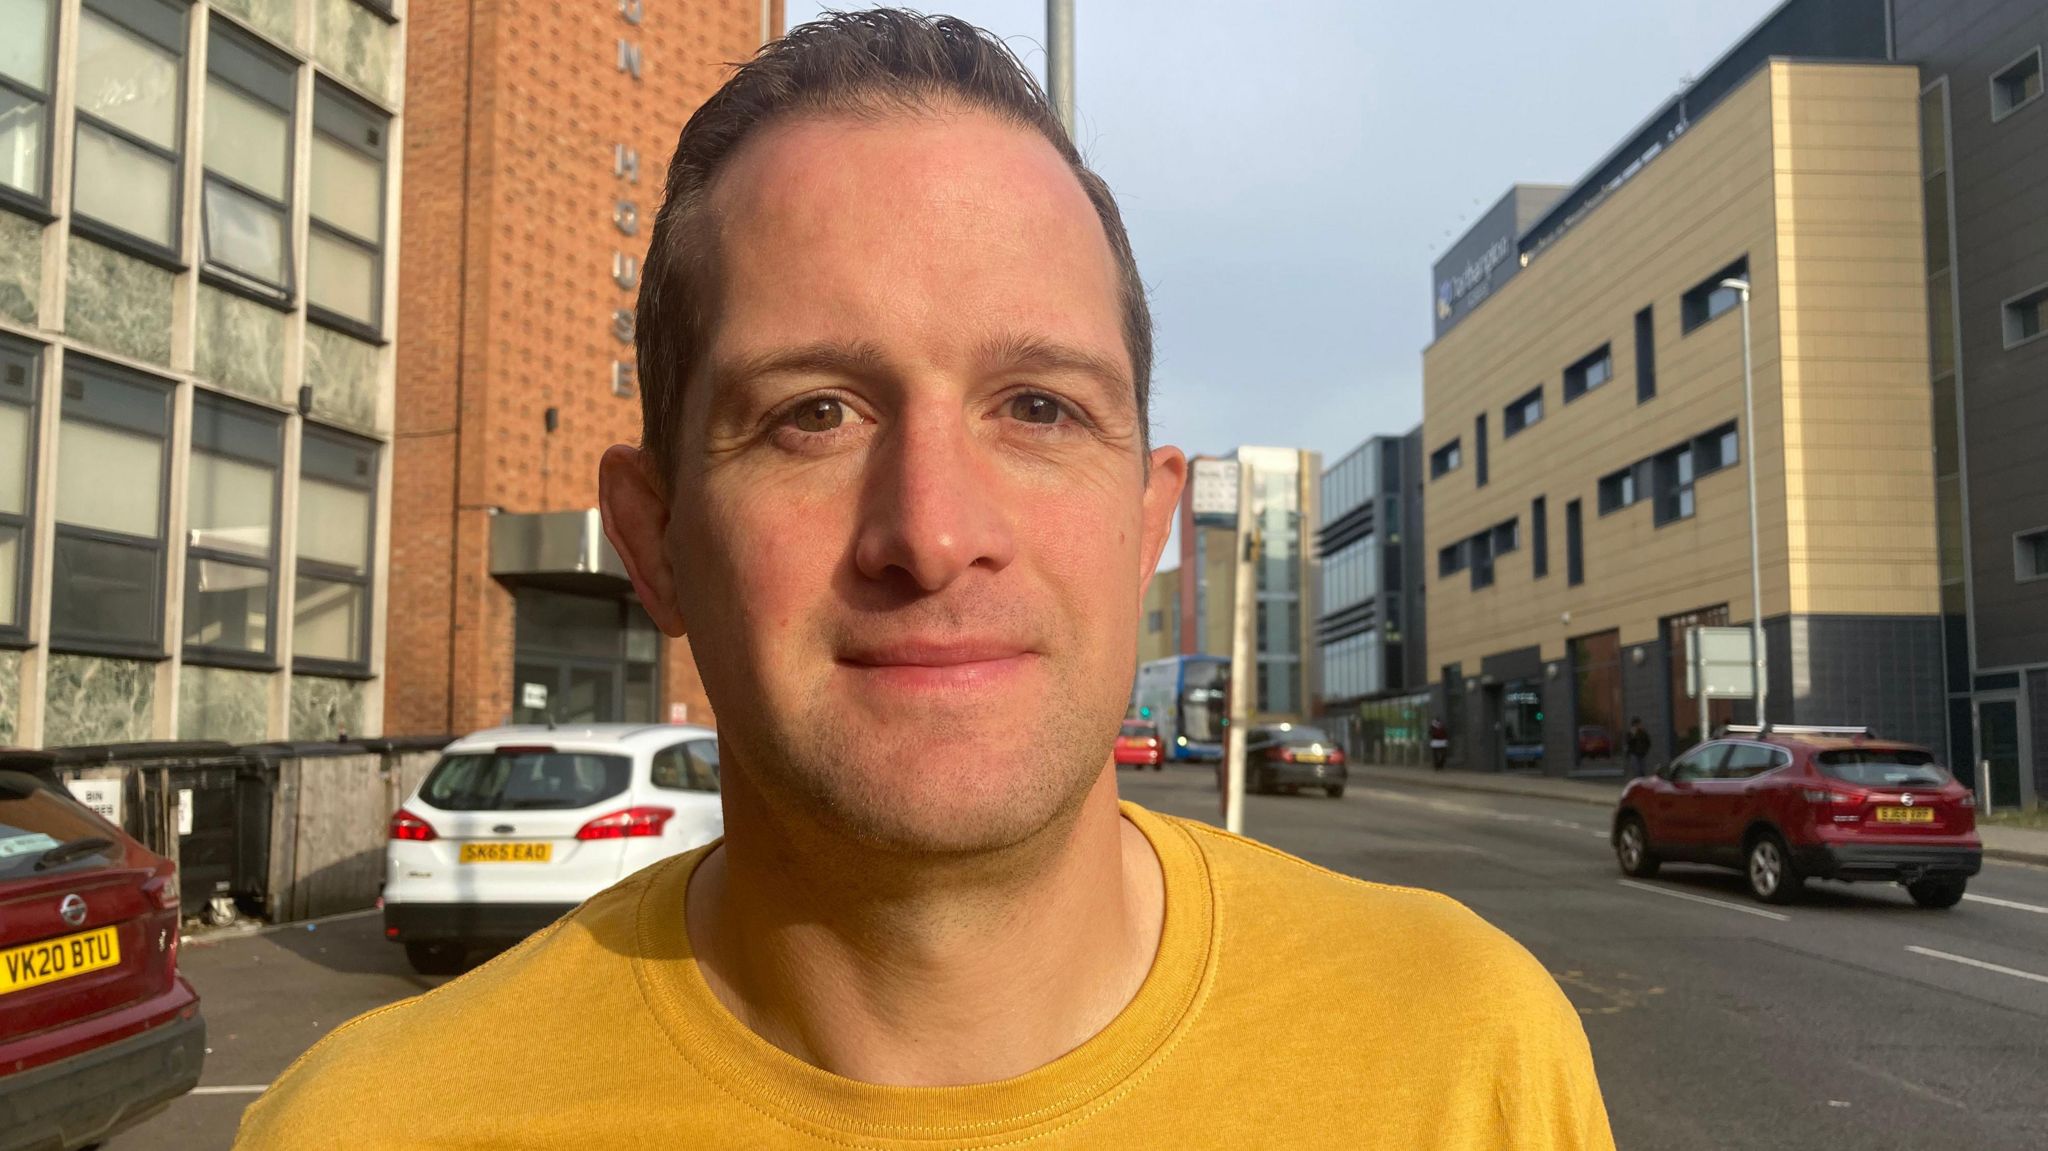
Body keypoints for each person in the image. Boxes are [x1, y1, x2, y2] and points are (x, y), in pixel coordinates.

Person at [236, 12, 1612, 1149]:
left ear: (1150, 521)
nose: (935, 532)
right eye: (813, 416)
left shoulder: (1466, 1059)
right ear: (655, 543)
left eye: (1040, 409)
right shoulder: (363, 1130)